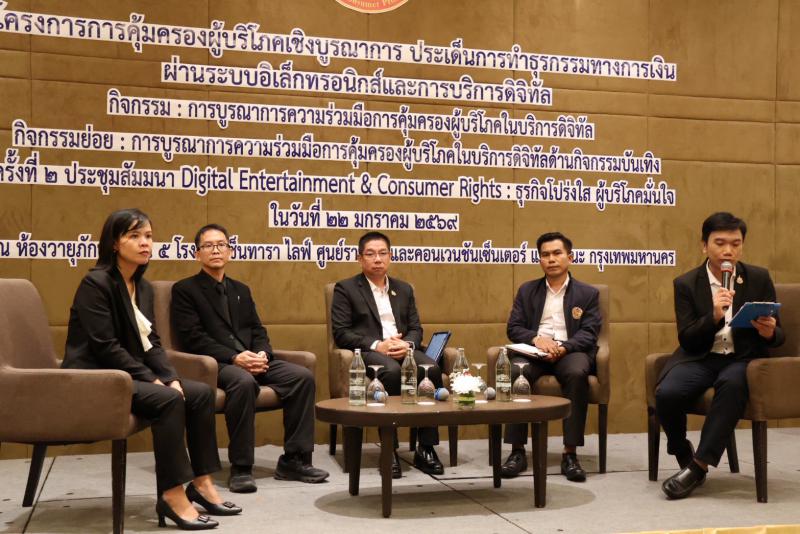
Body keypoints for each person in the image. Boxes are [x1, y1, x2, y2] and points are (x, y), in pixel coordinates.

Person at [62, 209, 240, 531]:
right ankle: (171, 495)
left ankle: (201, 483)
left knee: (200, 394)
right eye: (134, 236)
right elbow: (105, 347)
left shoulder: (142, 288)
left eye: (148, 236)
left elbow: (152, 343)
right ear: (114, 243)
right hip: (95, 378)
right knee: (168, 399)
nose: (145, 243)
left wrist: (170, 377)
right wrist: (154, 380)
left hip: (127, 376)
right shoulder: (96, 283)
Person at [171, 224, 328, 492]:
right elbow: (193, 338)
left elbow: (257, 329)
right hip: (216, 364)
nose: (216, 250)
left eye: (221, 244)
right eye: (208, 246)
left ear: (230, 251)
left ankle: (294, 460)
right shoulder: (185, 289)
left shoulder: (241, 289)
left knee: (302, 378)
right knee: (243, 382)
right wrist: (234, 357)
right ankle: (242, 467)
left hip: (252, 359)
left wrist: (262, 354)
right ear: (197, 254)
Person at [656, 212, 784, 499]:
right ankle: (681, 450)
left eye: (735, 244)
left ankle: (698, 466)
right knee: (667, 393)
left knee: (733, 385)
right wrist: (713, 317)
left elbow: (780, 335)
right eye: (720, 243)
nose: (728, 251)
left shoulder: (759, 277)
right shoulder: (686, 283)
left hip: (742, 359)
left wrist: (769, 332)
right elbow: (687, 338)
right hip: (701, 356)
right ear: (704, 245)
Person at [331, 231, 445, 478]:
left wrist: (408, 345)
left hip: (402, 348)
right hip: (370, 351)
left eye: (383, 253)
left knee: (432, 369)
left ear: (390, 256)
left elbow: (416, 328)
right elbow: (341, 333)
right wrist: (377, 345)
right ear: (360, 258)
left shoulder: (404, 289)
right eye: (370, 254)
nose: (377, 259)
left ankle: (426, 447)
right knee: (392, 372)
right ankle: (389, 448)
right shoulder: (346, 289)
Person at [500, 232, 601, 482]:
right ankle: (517, 451)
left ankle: (570, 453)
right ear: (540, 260)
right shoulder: (527, 290)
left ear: (570, 257)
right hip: (535, 352)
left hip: (570, 352)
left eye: (557, 253)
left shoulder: (587, 293)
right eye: (545, 255)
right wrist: (537, 339)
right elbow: (514, 328)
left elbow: (589, 332)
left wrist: (564, 347)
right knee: (516, 371)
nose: (551, 259)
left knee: (577, 373)